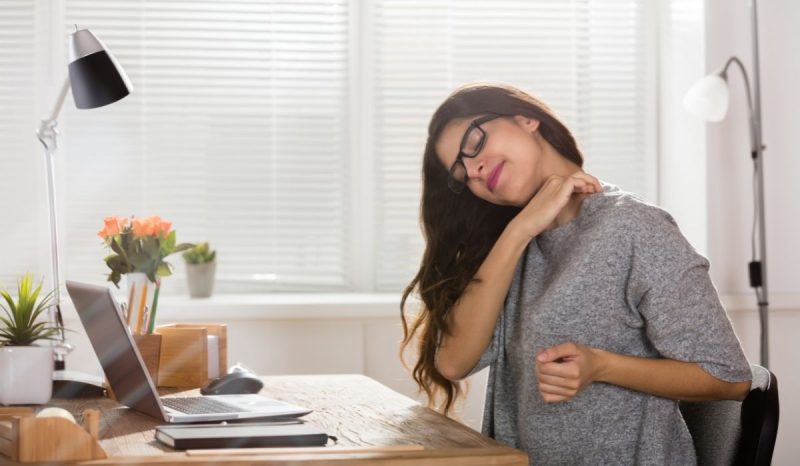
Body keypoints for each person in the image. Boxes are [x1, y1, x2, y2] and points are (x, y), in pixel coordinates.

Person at [400, 82, 752, 465]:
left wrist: (602, 366)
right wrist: (520, 231)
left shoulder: (633, 228)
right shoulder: (513, 244)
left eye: (475, 142)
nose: (474, 169)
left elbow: (729, 378)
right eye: (461, 174)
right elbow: (452, 363)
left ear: (526, 119)